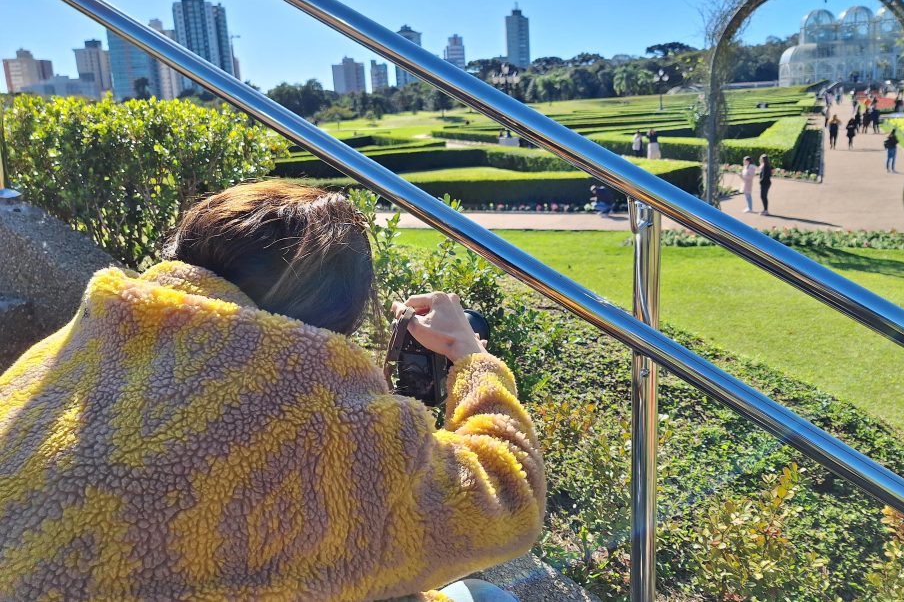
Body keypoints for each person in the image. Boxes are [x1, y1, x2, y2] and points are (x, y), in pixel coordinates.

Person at [0, 181, 544, 601]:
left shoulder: (52, 361)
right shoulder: (330, 426)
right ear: (340, 311)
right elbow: (508, 503)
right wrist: (473, 358)